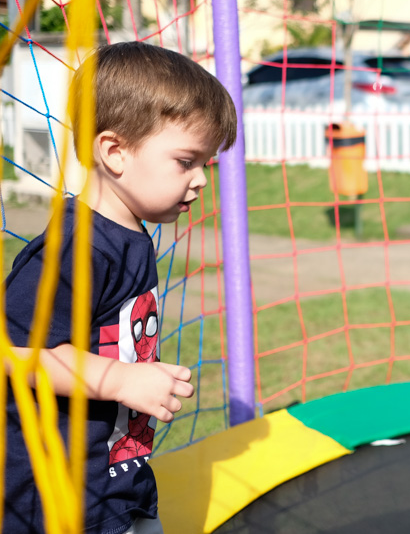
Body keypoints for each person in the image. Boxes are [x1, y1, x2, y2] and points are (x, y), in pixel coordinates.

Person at [4, 41, 238, 534]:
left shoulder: (129, 237)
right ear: (114, 151)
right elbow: (15, 352)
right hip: (58, 498)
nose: (199, 181)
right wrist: (122, 380)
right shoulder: (75, 247)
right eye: (186, 161)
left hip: (117, 478)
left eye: (206, 165)